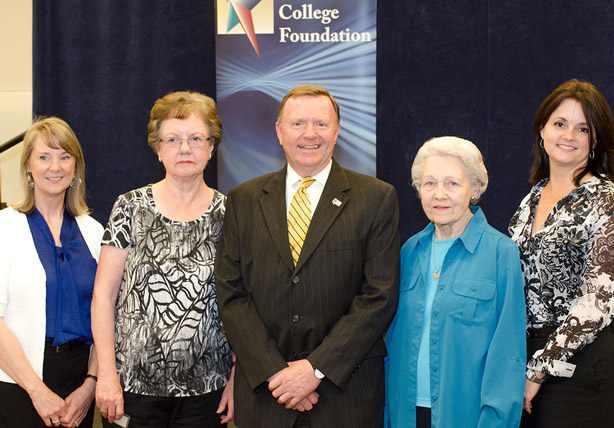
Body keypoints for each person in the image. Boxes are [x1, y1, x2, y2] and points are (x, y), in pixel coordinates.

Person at [214, 84, 400, 428]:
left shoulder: (376, 198)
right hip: (267, 394)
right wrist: (276, 373)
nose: (310, 134)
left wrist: (316, 369)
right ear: (279, 131)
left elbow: (379, 296)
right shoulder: (243, 199)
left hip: (345, 394)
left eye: (321, 124)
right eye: (298, 124)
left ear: (337, 130)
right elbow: (231, 293)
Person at [91, 91, 234, 428]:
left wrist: (235, 379)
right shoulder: (129, 207)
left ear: (212, 146)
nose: (185, 148)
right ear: (157, 148)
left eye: (196, 138)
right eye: (172, 139)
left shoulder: (231, 213)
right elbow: (103, 298)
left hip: (208, 391)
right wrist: (107, 376)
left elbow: (241, 303)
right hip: (131, 389)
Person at [385, 136, 526, 428]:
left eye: (452, 183)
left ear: (475, 189)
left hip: (466, 418)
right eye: (429, 183)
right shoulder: (408, 251)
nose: (439, 194)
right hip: (405, 415)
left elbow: (507, 355)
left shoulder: (501, 253)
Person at [509, 79, 614, 427]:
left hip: (581, 363)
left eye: (582, 128)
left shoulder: (605, 198)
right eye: (559, 123)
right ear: (542, 130)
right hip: (525, 360)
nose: (568, 135)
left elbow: (599, 299)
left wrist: (540, 368)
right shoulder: (530, 201)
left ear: (595, 140)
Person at [0, 117, 104, 428]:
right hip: (18, 381)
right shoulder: (6, 227)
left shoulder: (94, 231)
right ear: (28, 167)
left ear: (76, 167)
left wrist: (90, 385)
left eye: (64, 156)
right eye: (44, 157)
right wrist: (36, 390)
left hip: (80, 381)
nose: (55, 167)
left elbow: (107, 315)